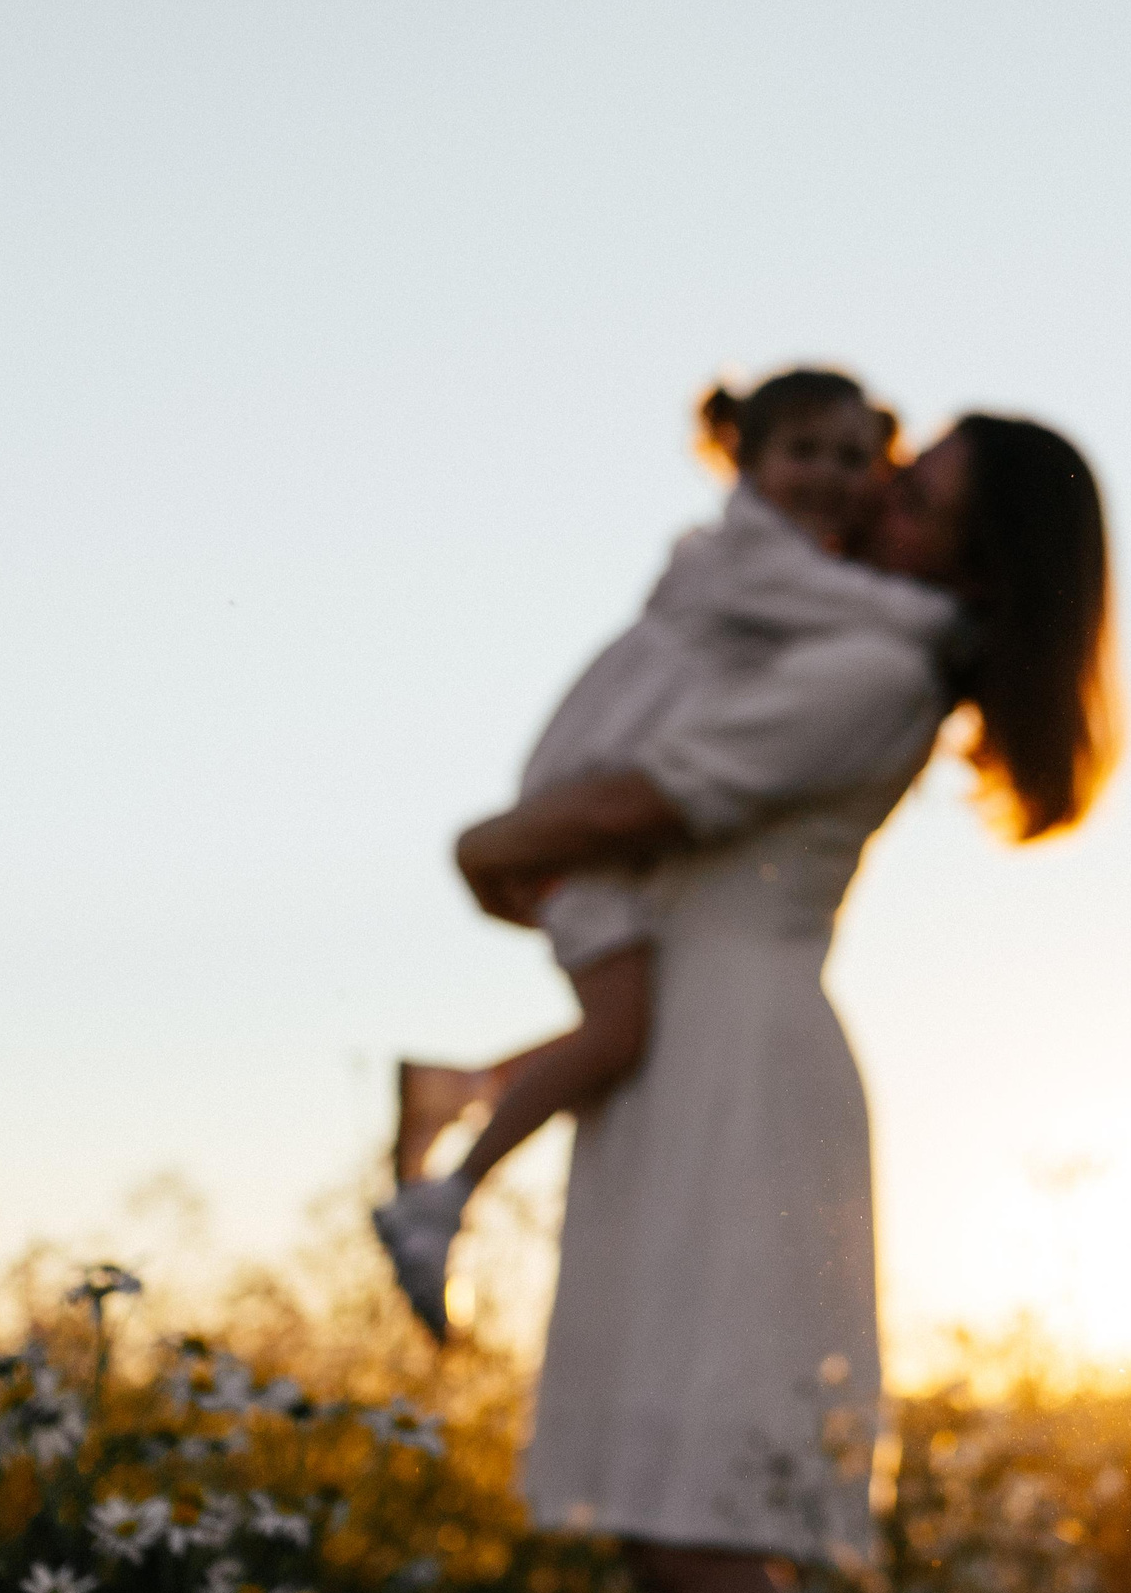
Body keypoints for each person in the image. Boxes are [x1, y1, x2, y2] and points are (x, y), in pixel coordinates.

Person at [450, 413, 1116, 1593]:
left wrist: (482, 843)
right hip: (687, 1051)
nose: (873, 499)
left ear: (975, 569)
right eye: (895, 471)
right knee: (659, 1529)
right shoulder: (849, 637)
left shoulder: (873, 671)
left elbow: (638, 804)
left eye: (914, 501)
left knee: (711, 1521)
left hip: (737, 1079)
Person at [371, 367, 915, 1339]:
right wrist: (955, 628)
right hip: (594, 805)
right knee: (623, 1031)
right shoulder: (753, 556)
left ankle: (455, 1092)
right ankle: (440, 1202)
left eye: (852, 457)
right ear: (743, 460)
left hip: (611, 805)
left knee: (638, 1030)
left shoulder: (778, 562)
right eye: (803, 452)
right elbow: (861, 617)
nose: (829, 475)